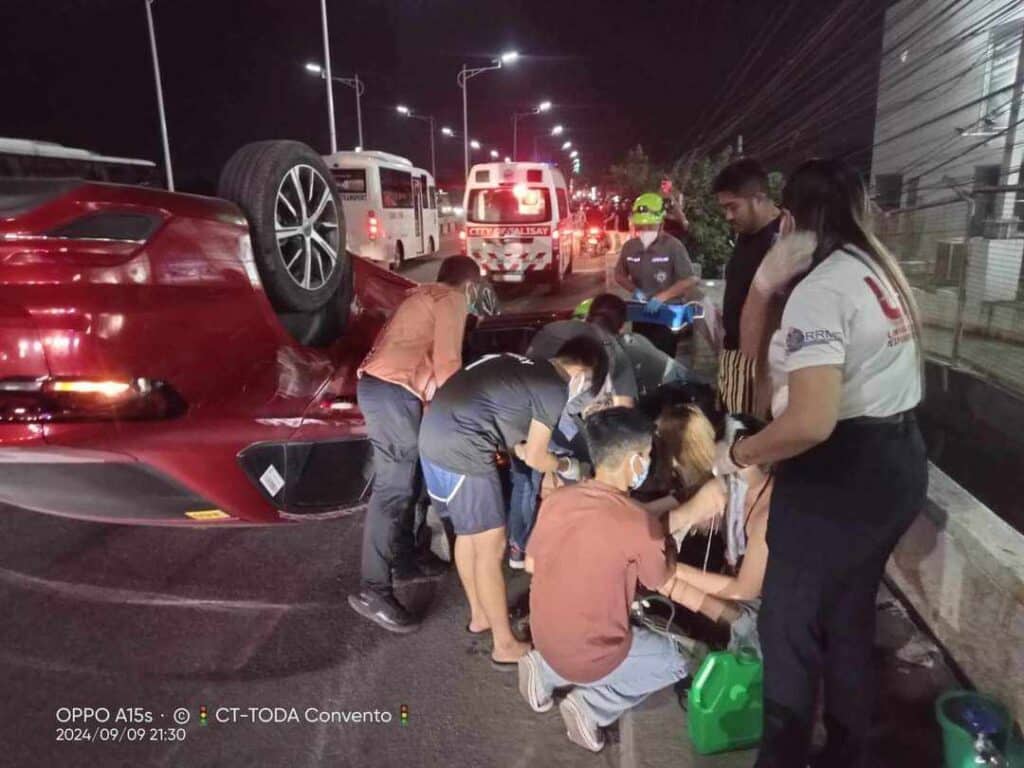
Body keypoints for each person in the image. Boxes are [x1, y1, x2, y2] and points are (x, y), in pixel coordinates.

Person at [718, 158, 927, 768]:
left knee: (788, 633)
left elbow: (804, 419)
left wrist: (741, 452)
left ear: (787, 215)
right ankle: (847, 751)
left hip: (840, 473)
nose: (731, 219)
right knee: (847, 618)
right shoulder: (875, 266)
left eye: (734, 208)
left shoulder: (815, 285)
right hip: (896, 463)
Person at [518, 407, 712, 752]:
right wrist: (677, 524)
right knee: (681, 660)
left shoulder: (559, 500)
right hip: (592, 652)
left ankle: (545, 670)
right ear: (635, 459)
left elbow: (533, 563)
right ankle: (592, 706)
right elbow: (658, 579)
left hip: (544, 635)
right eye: (648, 456)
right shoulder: (638, 523)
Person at [419, 338, 607, 666]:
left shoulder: (519, 364)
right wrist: (570, 467)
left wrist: (544, 465)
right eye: (590, 384)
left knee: (468, 535)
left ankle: (480, 615)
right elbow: (535, 456)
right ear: (582, 373)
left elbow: (519, 443)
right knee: (491, 546)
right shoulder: (553, 388)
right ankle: (504, 645)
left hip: (433, 438)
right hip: (463, 446)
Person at [349, 255, 485, 634]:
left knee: (415, 478)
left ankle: (407, 558)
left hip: (388, 390)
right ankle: (373, 589)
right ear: (470, 286)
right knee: (393, 490)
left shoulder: (420, 295)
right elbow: (447, 363)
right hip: (393, 393)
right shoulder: (452, 299)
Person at [712, 158, 783, 417]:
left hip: (761, 362)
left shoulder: (783, 238)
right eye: (724, 208)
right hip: (733, 354)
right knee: (733, 423)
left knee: (752, 432)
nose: (727, 216)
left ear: (758, 198)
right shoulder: (747, 234)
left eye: (733, 207)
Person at [615, 193, 700, 357]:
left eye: (650, 226)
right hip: (642, 314)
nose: (645, 231)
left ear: (661, 223)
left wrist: (662, 297)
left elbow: (691, 279)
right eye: (641, 227)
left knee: (663, 361)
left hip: (667, 316)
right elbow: (619, 274)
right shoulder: (630, 247)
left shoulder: (673, 246)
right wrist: (635, 291)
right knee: (641, 358)